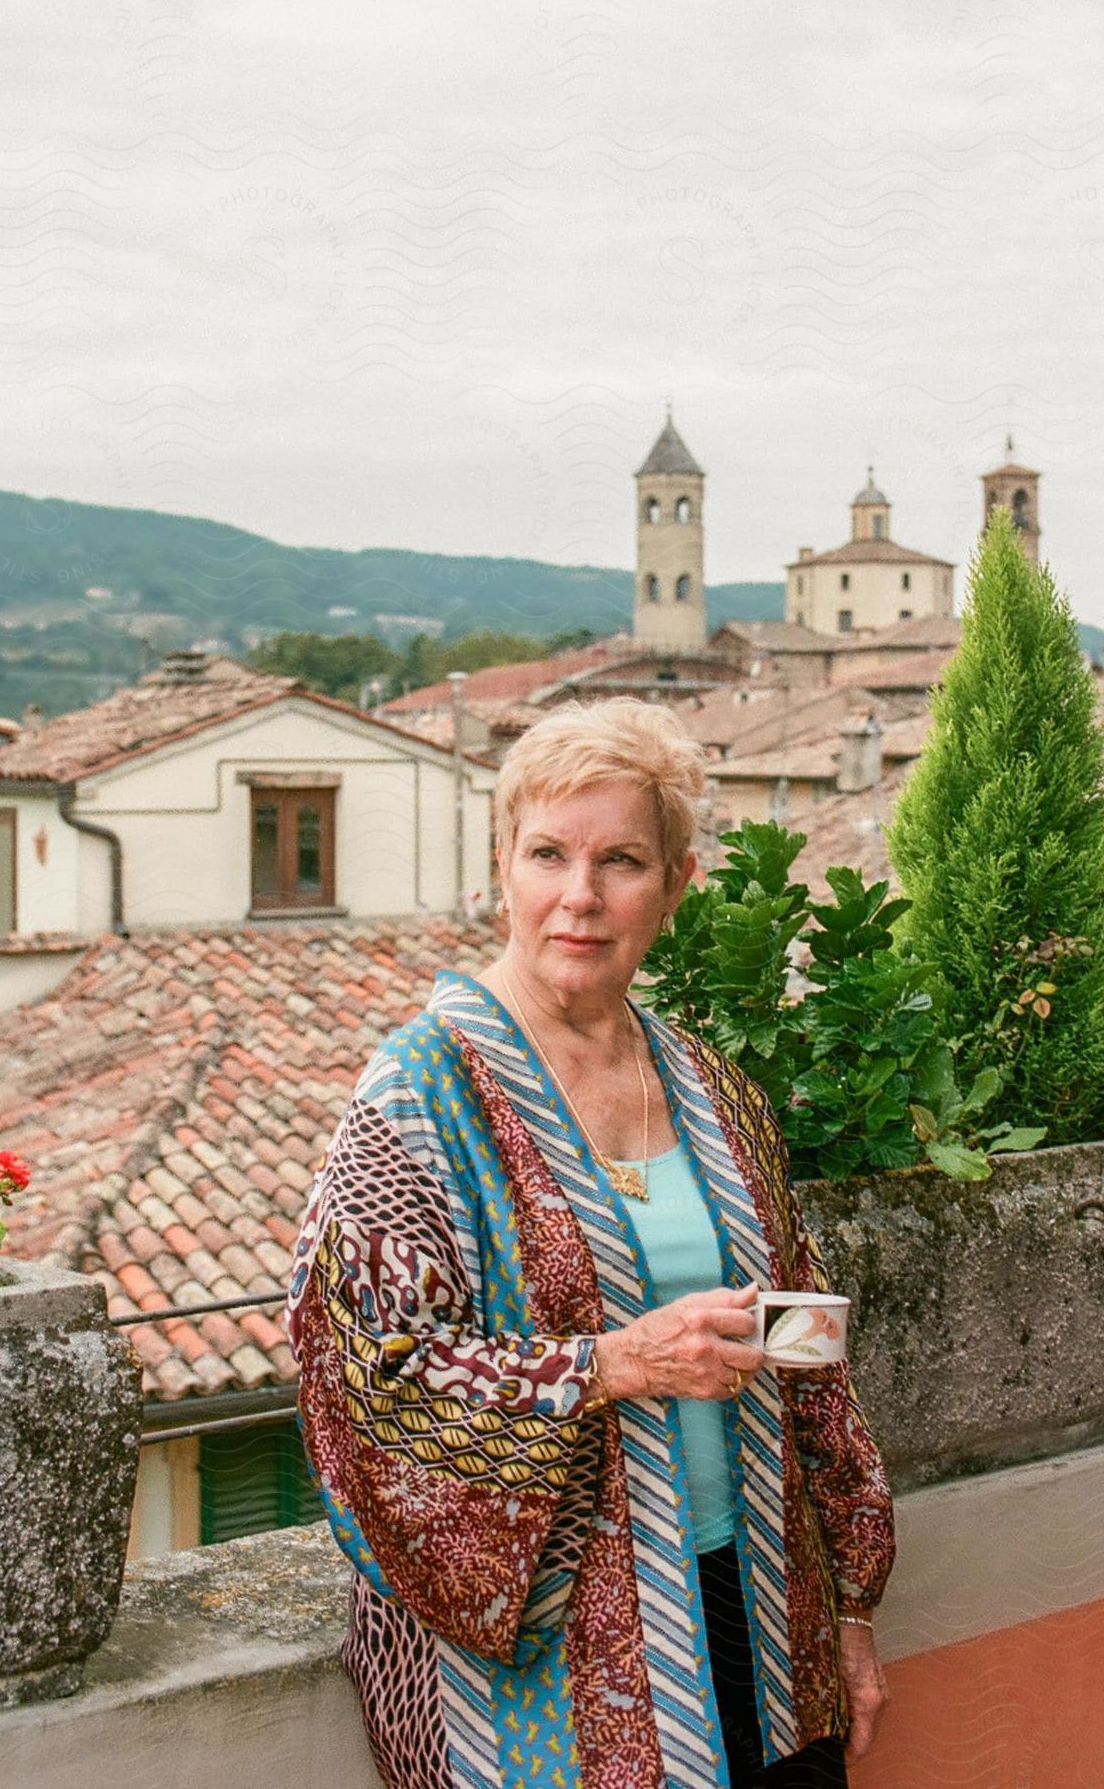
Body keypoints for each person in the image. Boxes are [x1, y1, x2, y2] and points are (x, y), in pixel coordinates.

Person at [288, 698, 895, 1789]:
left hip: (760, 1609)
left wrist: (852, 1601)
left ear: (678, 883)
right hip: (554, 1672)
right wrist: (614, 1364)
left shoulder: (714, 1092)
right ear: (502, 868)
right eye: (549, 854)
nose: (580, 896)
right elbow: (359, 1385)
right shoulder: (416, 1100)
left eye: (620, 859)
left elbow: (804, 1339)